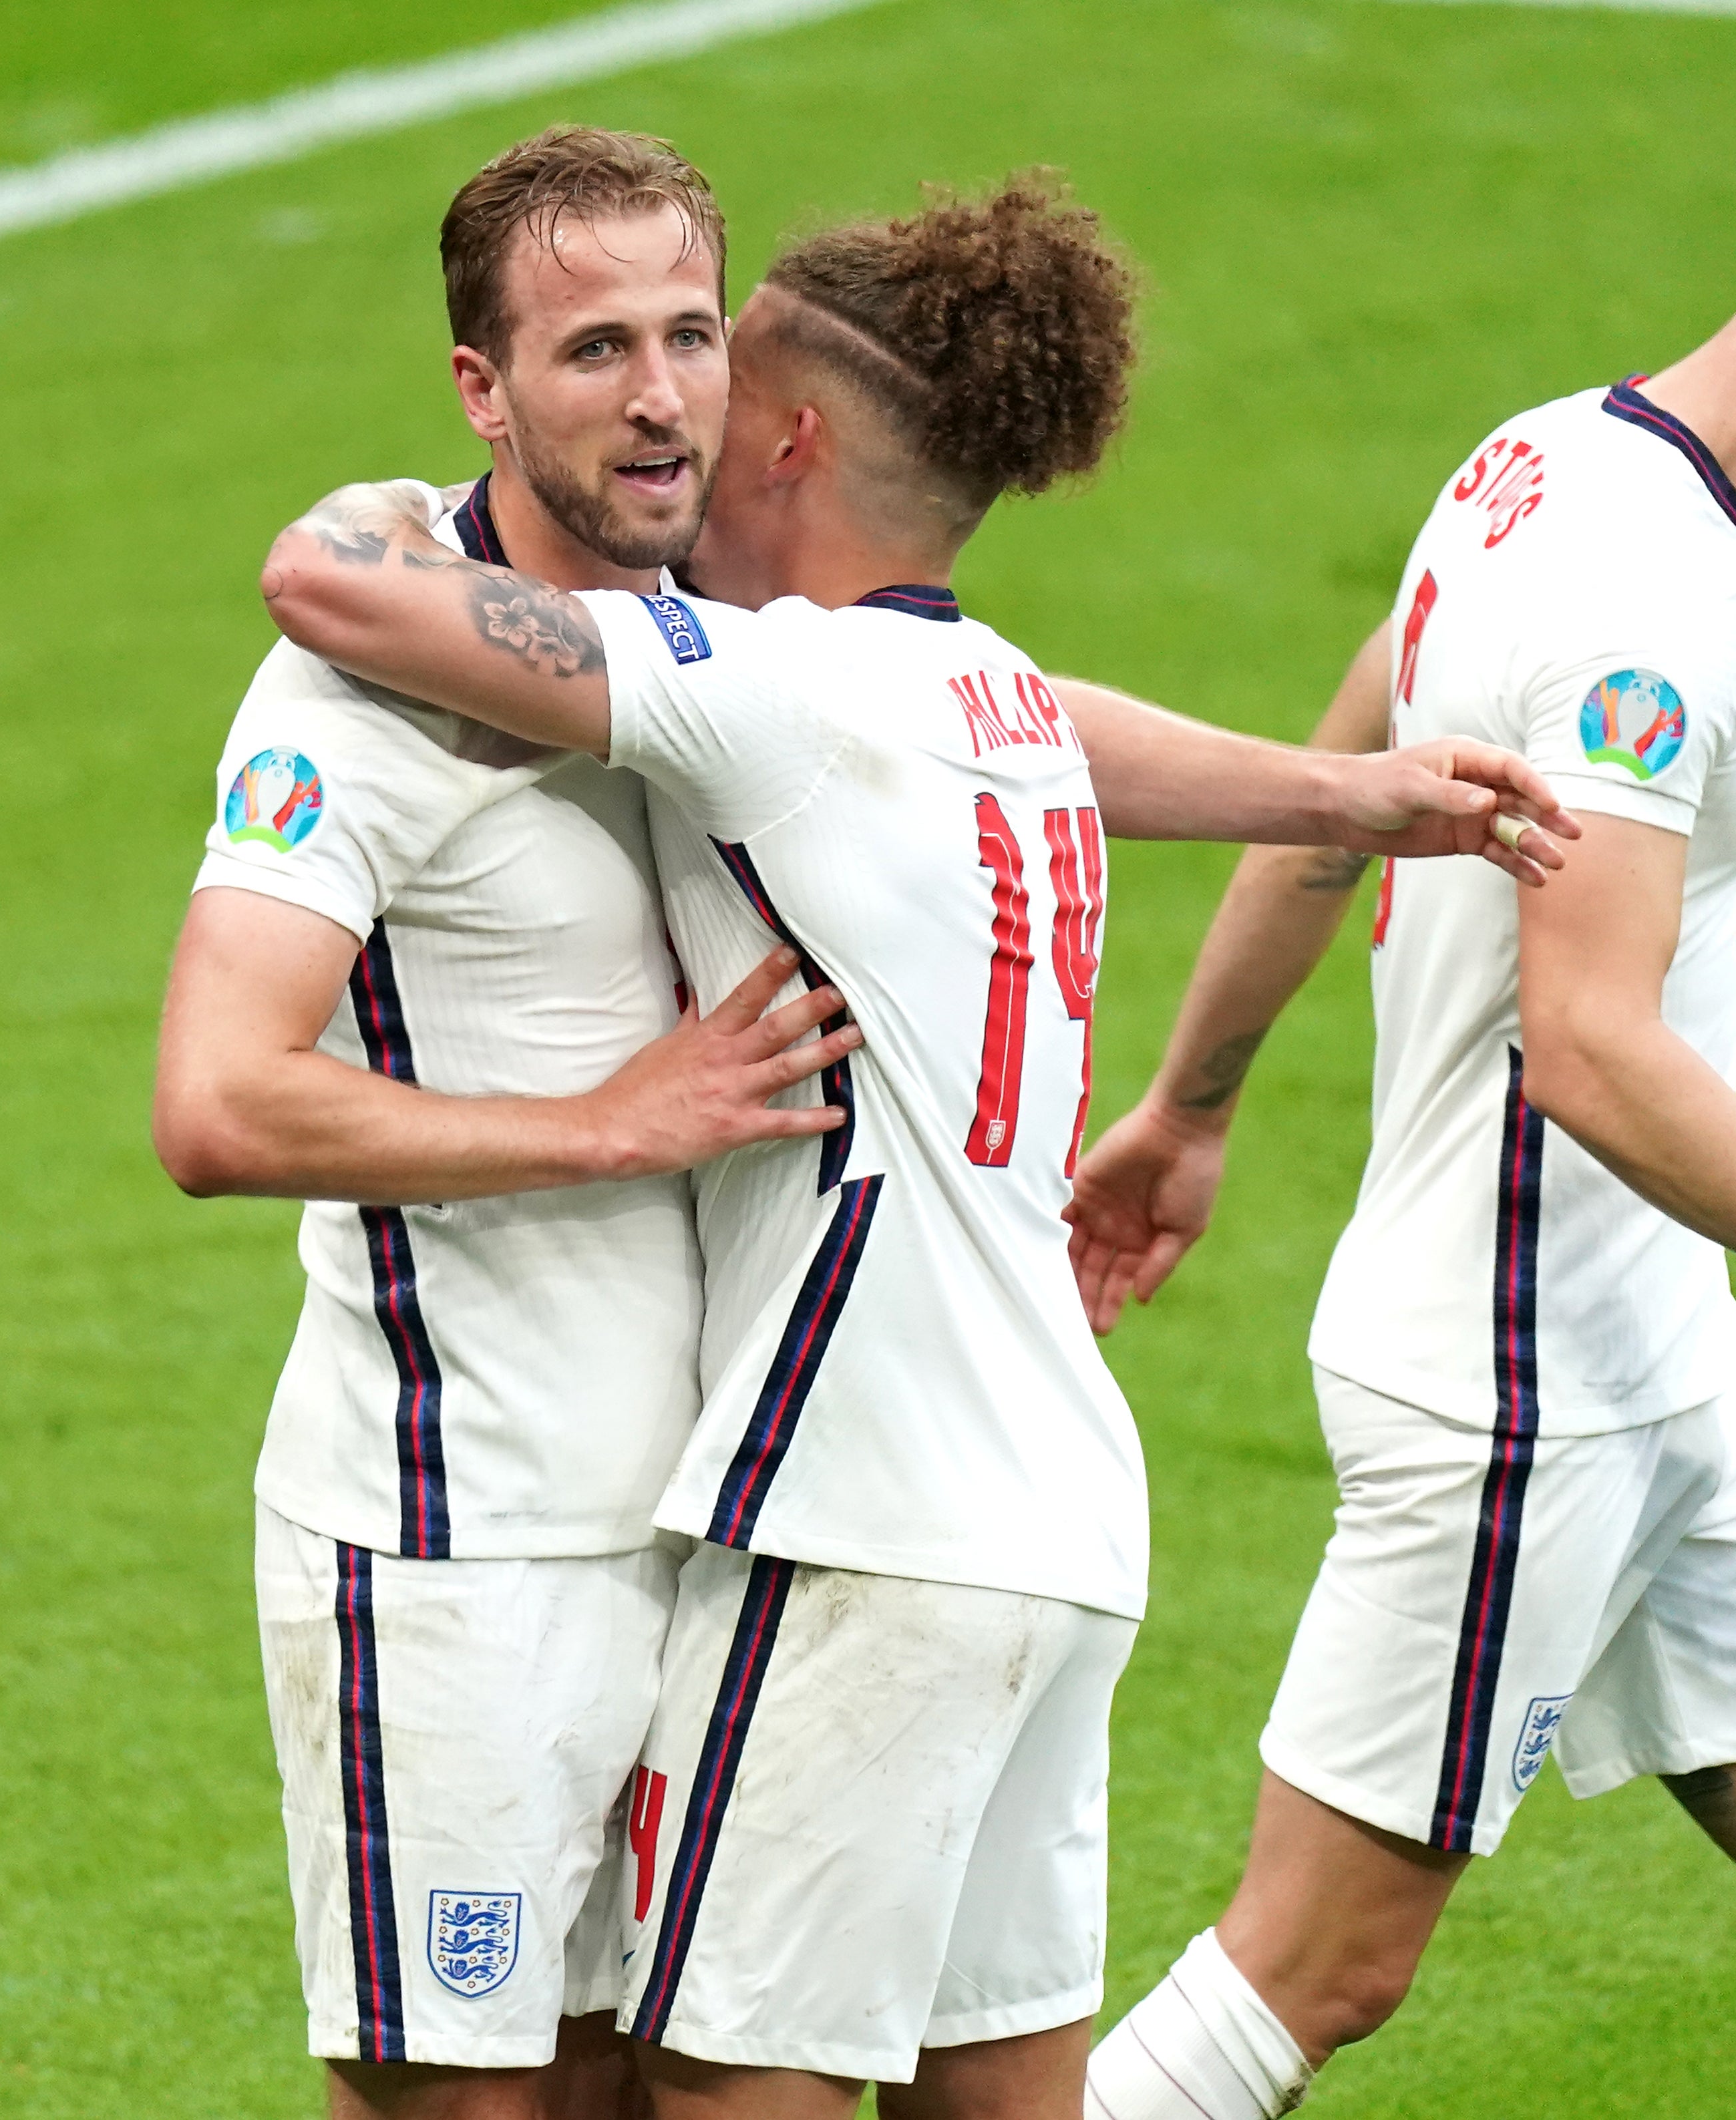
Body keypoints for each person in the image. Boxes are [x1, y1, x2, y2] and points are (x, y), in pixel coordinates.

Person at [256, 177, 1576, 2120]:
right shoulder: (978, 698)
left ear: (790, 432)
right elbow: (1064, 722)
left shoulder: (776, 697)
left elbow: (340, 599)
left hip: (858, 1522)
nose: (677, 416)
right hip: (1058, 1513)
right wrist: (1348, 792)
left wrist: (354, 512)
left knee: (722, 2095)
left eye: (713, 358)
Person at [1065, 120, 1736, 2120]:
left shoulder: (1536, 453)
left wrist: (1189, 1102)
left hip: (1654, 1354)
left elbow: (1343, 775)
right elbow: (1594, 1047)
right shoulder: (1653, 595)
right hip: (1518, 1381)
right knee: (1316, 1967)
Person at [152, 126, 856, 2120]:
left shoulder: (710, 630)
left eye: (695, 336)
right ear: (483, 388)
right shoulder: (349, 690)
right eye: (596, 350)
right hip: (461, 1553)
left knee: (666, 2093)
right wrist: (611, 1124)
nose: (661, 400)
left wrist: (1344, 800)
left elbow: (1002, 713)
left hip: (711, 1531)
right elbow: (216, 1099)